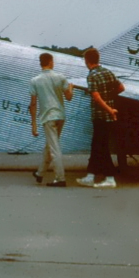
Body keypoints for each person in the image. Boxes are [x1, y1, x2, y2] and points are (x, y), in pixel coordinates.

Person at [77, 48, 124, 188]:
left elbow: (96, 97)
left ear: (87, 61)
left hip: (100, 116)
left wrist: (109, 109)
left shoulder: (92, 76)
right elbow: (121, 88)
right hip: (110, 116)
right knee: (96, 146)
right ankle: (90, 176)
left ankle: (110, 178)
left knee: (101, 147)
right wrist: (110, 99)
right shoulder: (107, 72)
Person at [29, 52, 74, 187]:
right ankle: (40, 173)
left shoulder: (35, 81)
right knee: (51, 146)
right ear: (50, 62)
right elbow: (69, 97)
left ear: (41, 63)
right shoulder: (60, 77)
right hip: (60, 116)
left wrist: (34, 125)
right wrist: (71, 88)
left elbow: (33, 104)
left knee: (53, 147)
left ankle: (60, 178)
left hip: (48, 117)